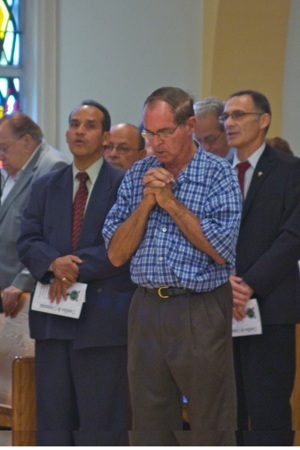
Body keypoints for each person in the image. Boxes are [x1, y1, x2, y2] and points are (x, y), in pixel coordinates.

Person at [102, 86, 242, 446]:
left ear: (190, 125)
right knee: (149, 420)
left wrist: (171, 202)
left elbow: (221, 248)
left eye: (165, 132)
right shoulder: (137, 175)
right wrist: (147, 203)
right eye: (150, 134)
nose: (156, 143)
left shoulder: (218, 173)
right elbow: (116, 253)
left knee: (210, 418)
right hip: (146, 306)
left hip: (200, 307)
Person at [17, 100, 136, 446]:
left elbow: (124, 247)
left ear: (105, 137)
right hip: (54, 319)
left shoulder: (123, 185)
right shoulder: (45, 185)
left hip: (102, 322)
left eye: (90, 125)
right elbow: (27, 240)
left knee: (101, 424)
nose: (80, 131)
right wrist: (53, 263)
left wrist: (72, 265)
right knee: (53, 423)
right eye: (74, 124)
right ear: (67, 133)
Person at [220, 89, 300, 446]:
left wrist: (249, 284)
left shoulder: (289, 170)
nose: (229, 123)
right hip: (220, 306)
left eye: (238, 115)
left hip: (270, 308)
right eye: (226, 116)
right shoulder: (218, 172)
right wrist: (225, 284)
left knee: (268, 409)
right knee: (226, 407)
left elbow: (292, 236)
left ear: (263, 120)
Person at [0, 112, 68, 317]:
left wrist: (24, 279)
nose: (1, 155)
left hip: (24, 290)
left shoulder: (53, 167)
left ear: (27, 141)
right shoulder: (13, 170)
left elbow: (52, 236)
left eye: (4, 148)